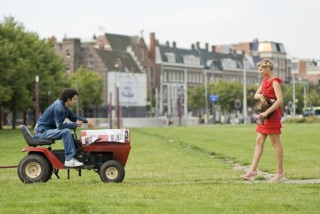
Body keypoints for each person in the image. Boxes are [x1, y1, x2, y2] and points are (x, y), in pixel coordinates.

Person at [241, 58, 284, 182]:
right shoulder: (265, 81)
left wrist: (266, 112)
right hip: (264, 115)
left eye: (261, 69)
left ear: (267, 68)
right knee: (259, 140)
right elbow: (256, 94)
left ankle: (280, 173)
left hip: (272, 115)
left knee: (275, 143)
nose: (259, 72)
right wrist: (260, 96)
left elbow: (280, 101)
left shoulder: (274, 82)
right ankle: (253, 171)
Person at [34, 88, 95, 167]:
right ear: (68, 99)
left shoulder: (64, 107)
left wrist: (87, 120)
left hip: (47, 130)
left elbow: (74, 118)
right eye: (74, 99)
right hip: (42, 132)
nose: (75, 102)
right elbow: (60, 127)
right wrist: (74, 125)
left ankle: (76, 155)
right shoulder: (59, 107)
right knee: (66, 131)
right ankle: (69, 159)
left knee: (68, 131)